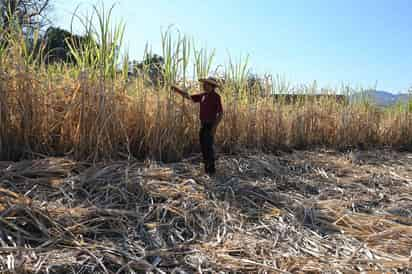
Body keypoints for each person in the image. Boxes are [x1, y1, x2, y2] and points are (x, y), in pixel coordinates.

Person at [172, 77, 223, 175]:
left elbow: (220, 114)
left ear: (212, 86)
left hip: (210, 125)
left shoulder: (216, 97)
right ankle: (207, 170)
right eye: (204, 84)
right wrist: (177, 90)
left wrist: (214, 128)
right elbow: (189, 97)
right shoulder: (203, 96)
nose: (204, 85)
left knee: (208, 148)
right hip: (203, 125)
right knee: (204, 148)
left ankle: (211, 171)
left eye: (206, 84)